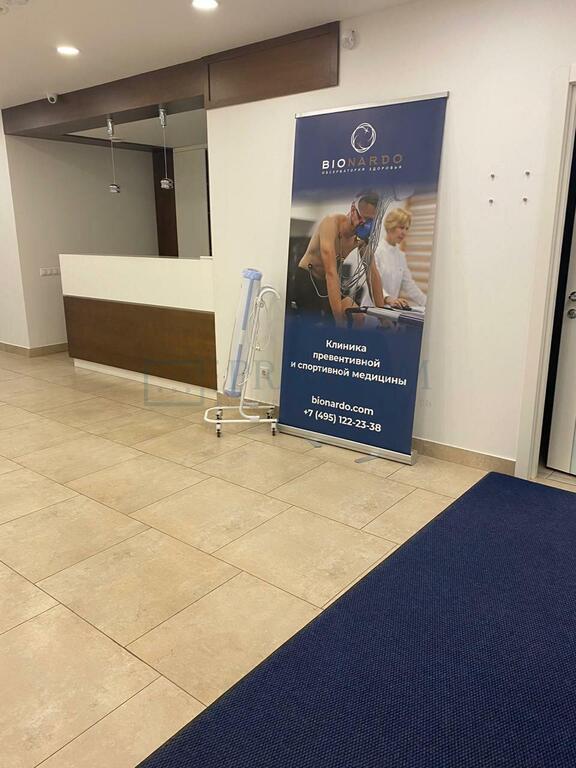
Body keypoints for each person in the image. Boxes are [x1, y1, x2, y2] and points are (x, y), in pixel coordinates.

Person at [292, 193, 405, 326]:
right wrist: (339, 322)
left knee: (358, 316)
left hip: (327, 283)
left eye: (371, 221)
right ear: (353, 210)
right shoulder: (331, 224)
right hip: (307, 280)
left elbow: (372, 274)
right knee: (321, 324)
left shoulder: (362, 238)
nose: (366, 225)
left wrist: (383, 317)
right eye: (364, 218)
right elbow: (331, 273)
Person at [375, 208, 427, 307]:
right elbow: (371, 282)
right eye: (401, 227)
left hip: (390, 311)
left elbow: (409, 285)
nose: (404, 232)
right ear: (390, 226)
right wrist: (387, 298)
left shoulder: (400, 256)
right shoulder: (376, 251)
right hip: (371, 309)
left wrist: (429, 304)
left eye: (407, 229)